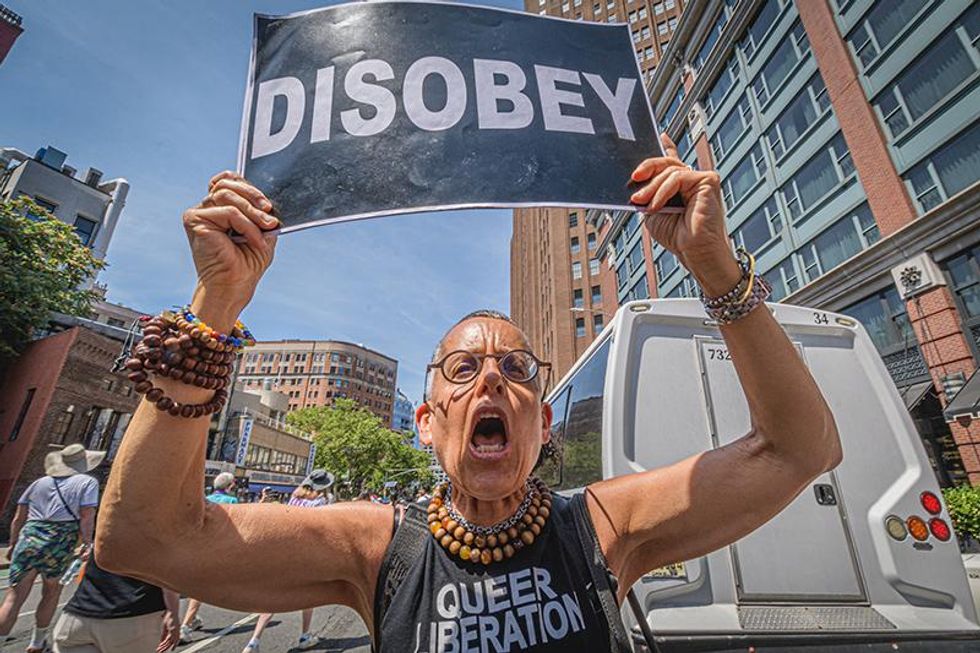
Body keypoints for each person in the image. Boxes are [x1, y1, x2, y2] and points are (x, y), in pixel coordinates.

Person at [96, 136, 842, 651]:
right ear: (426, 423)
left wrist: (715, 267)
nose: (491, 377)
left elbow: (801, 449)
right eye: (463, 369)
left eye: (516, 370)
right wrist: (214, 305)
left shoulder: (604, 527)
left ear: (543, 423)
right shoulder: (373, 546)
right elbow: (142, 538)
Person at [1, 444, 103, 653]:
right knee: (51, 591)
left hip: (30, 536)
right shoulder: (87, 482)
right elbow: (86, 516)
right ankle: (37, 642)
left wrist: (13, 544)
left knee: (13, 597)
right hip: (60, 539)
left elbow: (18, 517)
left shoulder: (39, 483)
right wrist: (87, 542)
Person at [241, 470, 335, 652]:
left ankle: (254, 640)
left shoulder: (294, 497)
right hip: (306, 552)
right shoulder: (320, 501)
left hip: (286, 549)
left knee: (274, 596)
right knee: (309, 595)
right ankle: (305, 636)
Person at [51, 549, 180, 653]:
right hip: (133, 617)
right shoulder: (159, 524)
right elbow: (167, 569)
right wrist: (172, 612)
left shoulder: (104, 520)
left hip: (78, 617)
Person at [178, 472, 239, 643]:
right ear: (231, 486)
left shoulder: (205, 499)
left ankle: (192, 619)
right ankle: (185, 625)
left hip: (196, 546)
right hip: (216, 549)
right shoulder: (232, 502)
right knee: (201, 588)